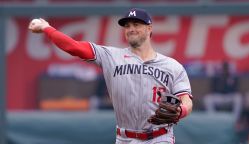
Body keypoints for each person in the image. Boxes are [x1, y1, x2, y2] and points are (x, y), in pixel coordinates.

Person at [28, 8, 193, 144]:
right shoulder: (110, 56)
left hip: (160, 137)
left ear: (149, 28)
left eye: (136, 24)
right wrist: (47, 28)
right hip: (125, 138)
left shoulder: (172, 66)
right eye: (127, 26)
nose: (131, 29)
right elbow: (74, 47)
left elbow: (186, 99)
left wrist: (181, 111)